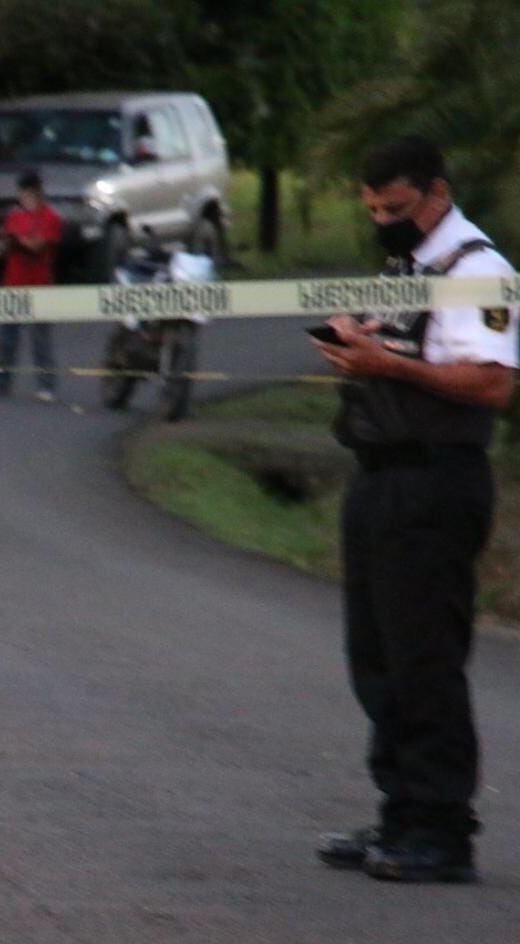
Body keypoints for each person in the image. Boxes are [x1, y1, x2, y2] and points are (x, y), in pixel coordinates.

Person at [312, 136, 517, 884]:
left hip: (434, 483)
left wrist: (385, 365)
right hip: (380, 477)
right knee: (378, 658)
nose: (382, 221)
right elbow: (399, 347)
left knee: (424, 659)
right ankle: (400, 811)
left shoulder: (480, 272)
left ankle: (441, 830)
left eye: (394, 208)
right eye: (371, 210)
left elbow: (493, 384)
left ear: (436, 193)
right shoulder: (408, 265)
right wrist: (352, 343)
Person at [0, 170, 61, 402]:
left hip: (39, 285)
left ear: (35, 192)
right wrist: (12, 242)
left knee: (40, 338)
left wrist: (19, 241)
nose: (21, 197)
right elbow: (5, 246)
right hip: (13, 282)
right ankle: (0, 381)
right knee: (7, 337)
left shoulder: (50, 217)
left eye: (25, 192)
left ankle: (46, 386)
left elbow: (39, 246)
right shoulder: (14, 216)